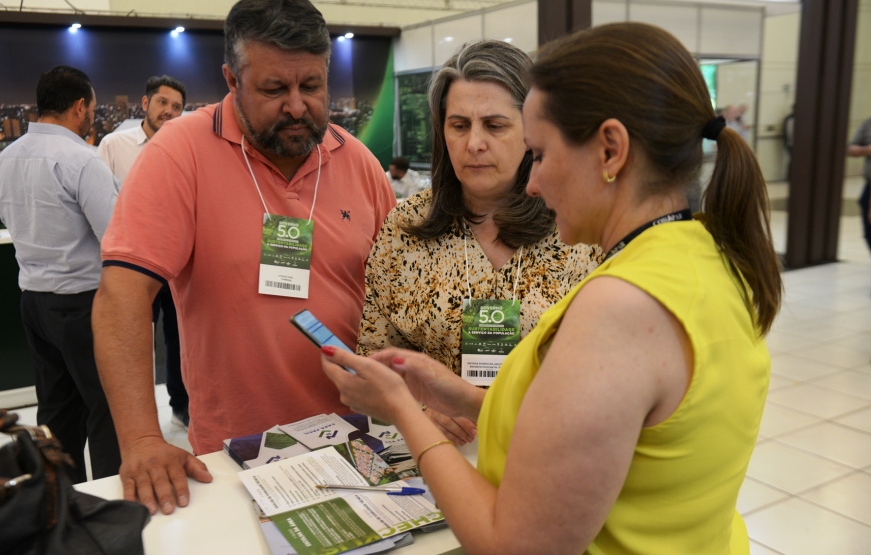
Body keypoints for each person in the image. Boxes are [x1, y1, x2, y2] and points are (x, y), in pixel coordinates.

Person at [321, 22, 782, 553]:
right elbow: (606, 430)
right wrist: (462, 399)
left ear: (610, 151)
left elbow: (515, 545)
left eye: (538, 153)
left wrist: (402, 410)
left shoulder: (621, 305)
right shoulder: (710, 254)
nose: (532, 182)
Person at [92, 0, 395, 515]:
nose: (298, 107)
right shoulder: (179, 153)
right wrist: (141, 438)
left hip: (359, 433)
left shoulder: (356, 159)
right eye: (275, 89)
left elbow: (397, 293)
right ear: (232, 79)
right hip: (239, 449)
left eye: (312, 87)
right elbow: (122, 296)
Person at [357, 40, 601, 444]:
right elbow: (375, 354)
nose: (474, 143)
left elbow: (610, 369)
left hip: (551, 450)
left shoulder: (578, 226)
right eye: (459, 125)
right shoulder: (407, 225)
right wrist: (418, 409)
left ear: (533, 131)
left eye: (494, 124)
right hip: (433, 456)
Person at [0, 65, 122, 483]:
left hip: (33, 302)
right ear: (80, 107)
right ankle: (108, 502)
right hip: (82, 304)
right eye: (93, 108)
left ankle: (61, 498)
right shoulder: (82, 160)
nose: (93, 116)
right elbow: (116, 238)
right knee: (105, 408)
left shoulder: (2, 161)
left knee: (57, 409)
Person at [98, 75, 190, 429]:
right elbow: (102, 206)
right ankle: (135, 419)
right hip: (130, 263)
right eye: (163, 103)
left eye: (177, 107)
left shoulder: (186, 147)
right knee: (133, 339)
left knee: (179, 337)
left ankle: (181, 406)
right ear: (145, 103)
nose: (169, 111)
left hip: (176, 262)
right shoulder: (114, 145)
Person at [847, 115, 871, 253]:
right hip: (869, 185)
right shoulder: (868, 123)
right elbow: (850, 148)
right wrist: (866, 150)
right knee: (868, 230)